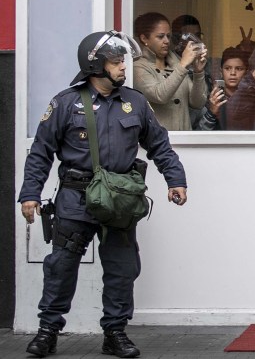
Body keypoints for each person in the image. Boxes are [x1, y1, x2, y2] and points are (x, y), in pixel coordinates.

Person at [18, 31, 188, 359]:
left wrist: (175, 180)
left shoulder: (136, 102)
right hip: (74, 199)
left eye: (122, 60)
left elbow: (159, 145)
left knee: (122, 268)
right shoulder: (66, 103)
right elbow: (41, 152)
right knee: (61, 266)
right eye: (115, 62)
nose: (123, 67)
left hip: (119, 202)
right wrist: (30, 195)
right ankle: (48, 331)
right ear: (95, 66)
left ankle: (115, 333)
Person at [133, 12, 208, 131]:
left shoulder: (175, 64)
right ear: (144, 38)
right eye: (160, 36)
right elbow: (160, 95)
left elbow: (198, 103)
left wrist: (198, 72)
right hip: (158, 145)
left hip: (185, 141)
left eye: (168, 36)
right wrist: (183, 64)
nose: (166, 41)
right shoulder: (138, 67)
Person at [197, 47, 248, 131]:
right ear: (221, 71)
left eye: (238, 69)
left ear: (246, 72)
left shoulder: (250, 98)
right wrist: (212, 112)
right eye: (227, 68)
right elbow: (198, 136)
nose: (233, 73)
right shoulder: (212, 99)